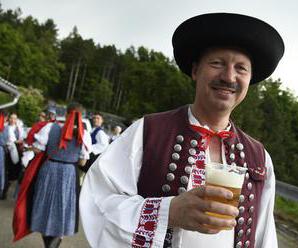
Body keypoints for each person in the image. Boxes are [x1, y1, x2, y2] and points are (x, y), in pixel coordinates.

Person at [80, 13, 284, 248]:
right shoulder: (148, 131)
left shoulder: (259, 158)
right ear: (196, 71)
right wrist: (168, 212)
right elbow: (97, 201)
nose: (229, 76)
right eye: (217, 63)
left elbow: (265, 238)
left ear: (249, 80)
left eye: (241, 68)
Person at [13, 102, 92, 247]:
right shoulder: (84, 134)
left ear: (67, 113)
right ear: (81, 116)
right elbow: (82, 162)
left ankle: (48, 242)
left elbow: (37, 150)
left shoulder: (51, 127)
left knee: (45, 205)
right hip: (68, 173)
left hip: (49, 170)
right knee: (62, 208)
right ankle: (55, 241)